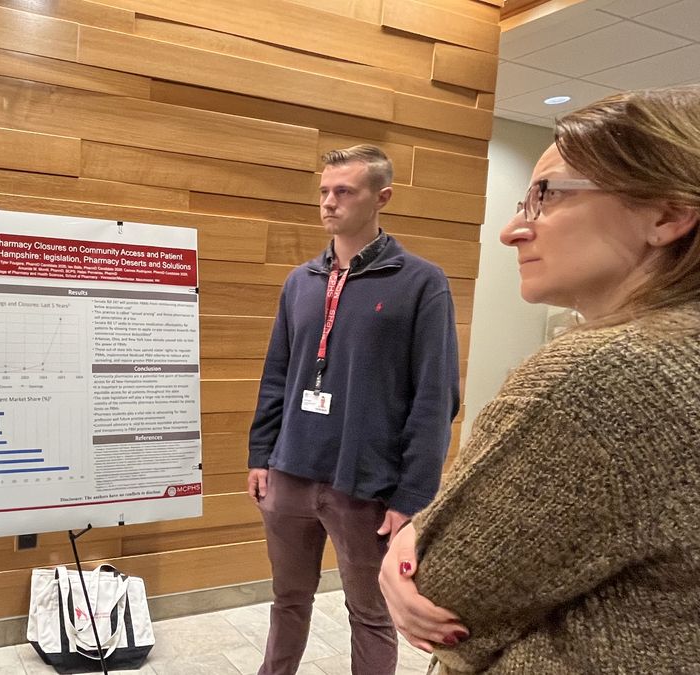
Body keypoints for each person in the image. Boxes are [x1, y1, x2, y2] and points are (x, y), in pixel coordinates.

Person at [379, 86, 700, 674]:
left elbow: (442, 592)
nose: (512, 230)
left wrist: (408, 542)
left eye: (547, 196)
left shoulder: (606, 376)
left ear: (667, 214)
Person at [248, 144, 461, 675]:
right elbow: (276, 374)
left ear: (381, 197)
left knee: (370, 613)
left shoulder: (421, 282)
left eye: (343, 191)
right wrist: (260, 454)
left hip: (365, 483)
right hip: (289, 472)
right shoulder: (300, 281)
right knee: (287, 599)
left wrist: (413, 496)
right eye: (324, 191)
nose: (328, 202)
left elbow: (435, 397)